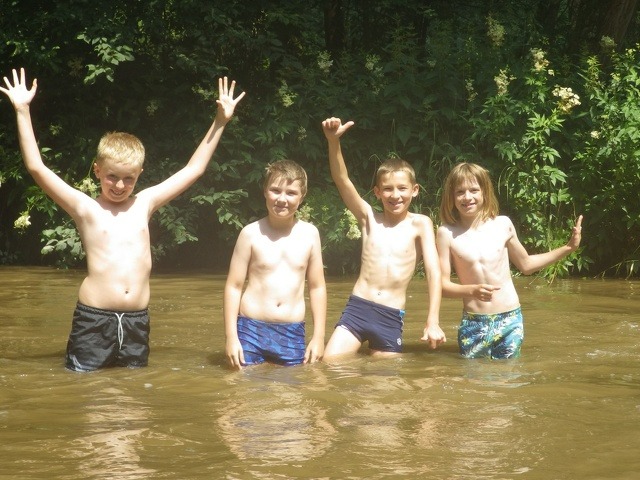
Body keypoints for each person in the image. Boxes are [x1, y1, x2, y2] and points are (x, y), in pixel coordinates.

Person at [1, 68, 245, 371]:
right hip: (94, 319)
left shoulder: (144, 203)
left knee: (133, 391)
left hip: (136, 322)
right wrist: (22, 110)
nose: (119, 185)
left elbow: (193, 170)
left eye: (128, 178)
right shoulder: (85, 207)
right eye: (112, 176)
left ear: (139, 175)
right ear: (97, 171)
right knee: (86, 389)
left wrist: (220, 121)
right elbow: (37, 167)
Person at [320, 117, 444, 359]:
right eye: (387, 189)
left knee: (386, 378)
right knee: (331, 363)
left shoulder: (420, 224)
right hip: (358, 308)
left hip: (390, 315)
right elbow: (342, 180)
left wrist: (433, 320)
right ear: (377, 192)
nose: (395, 195)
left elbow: (433, 272)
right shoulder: (368, 218)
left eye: (402, 188)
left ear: (415, 190)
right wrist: (333, 142)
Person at [437, 162, 583, 359]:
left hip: (510, 318)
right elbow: (442, 287)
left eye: (474, 190)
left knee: (508, 375)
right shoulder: (446, 233)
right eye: (460, 192)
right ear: (451, 197)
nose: (467, 197)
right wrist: (472, 290)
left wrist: (568, 248)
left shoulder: (502, 224)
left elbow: (527, 265)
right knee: (472, 376)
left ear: (485, 192)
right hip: (474, 321)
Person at [223, 160, 326, 368]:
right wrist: (231, 337)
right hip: (250, 329)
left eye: (291, 193)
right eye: (275, 190)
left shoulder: (310, 235)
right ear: (265, 191)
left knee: (294, 386)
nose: (282, 199)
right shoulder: (250, 234)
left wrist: (319, 337)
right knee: (242, 385)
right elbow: (234, 286)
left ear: (302, 197)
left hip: (291, 332)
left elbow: (317, 287)